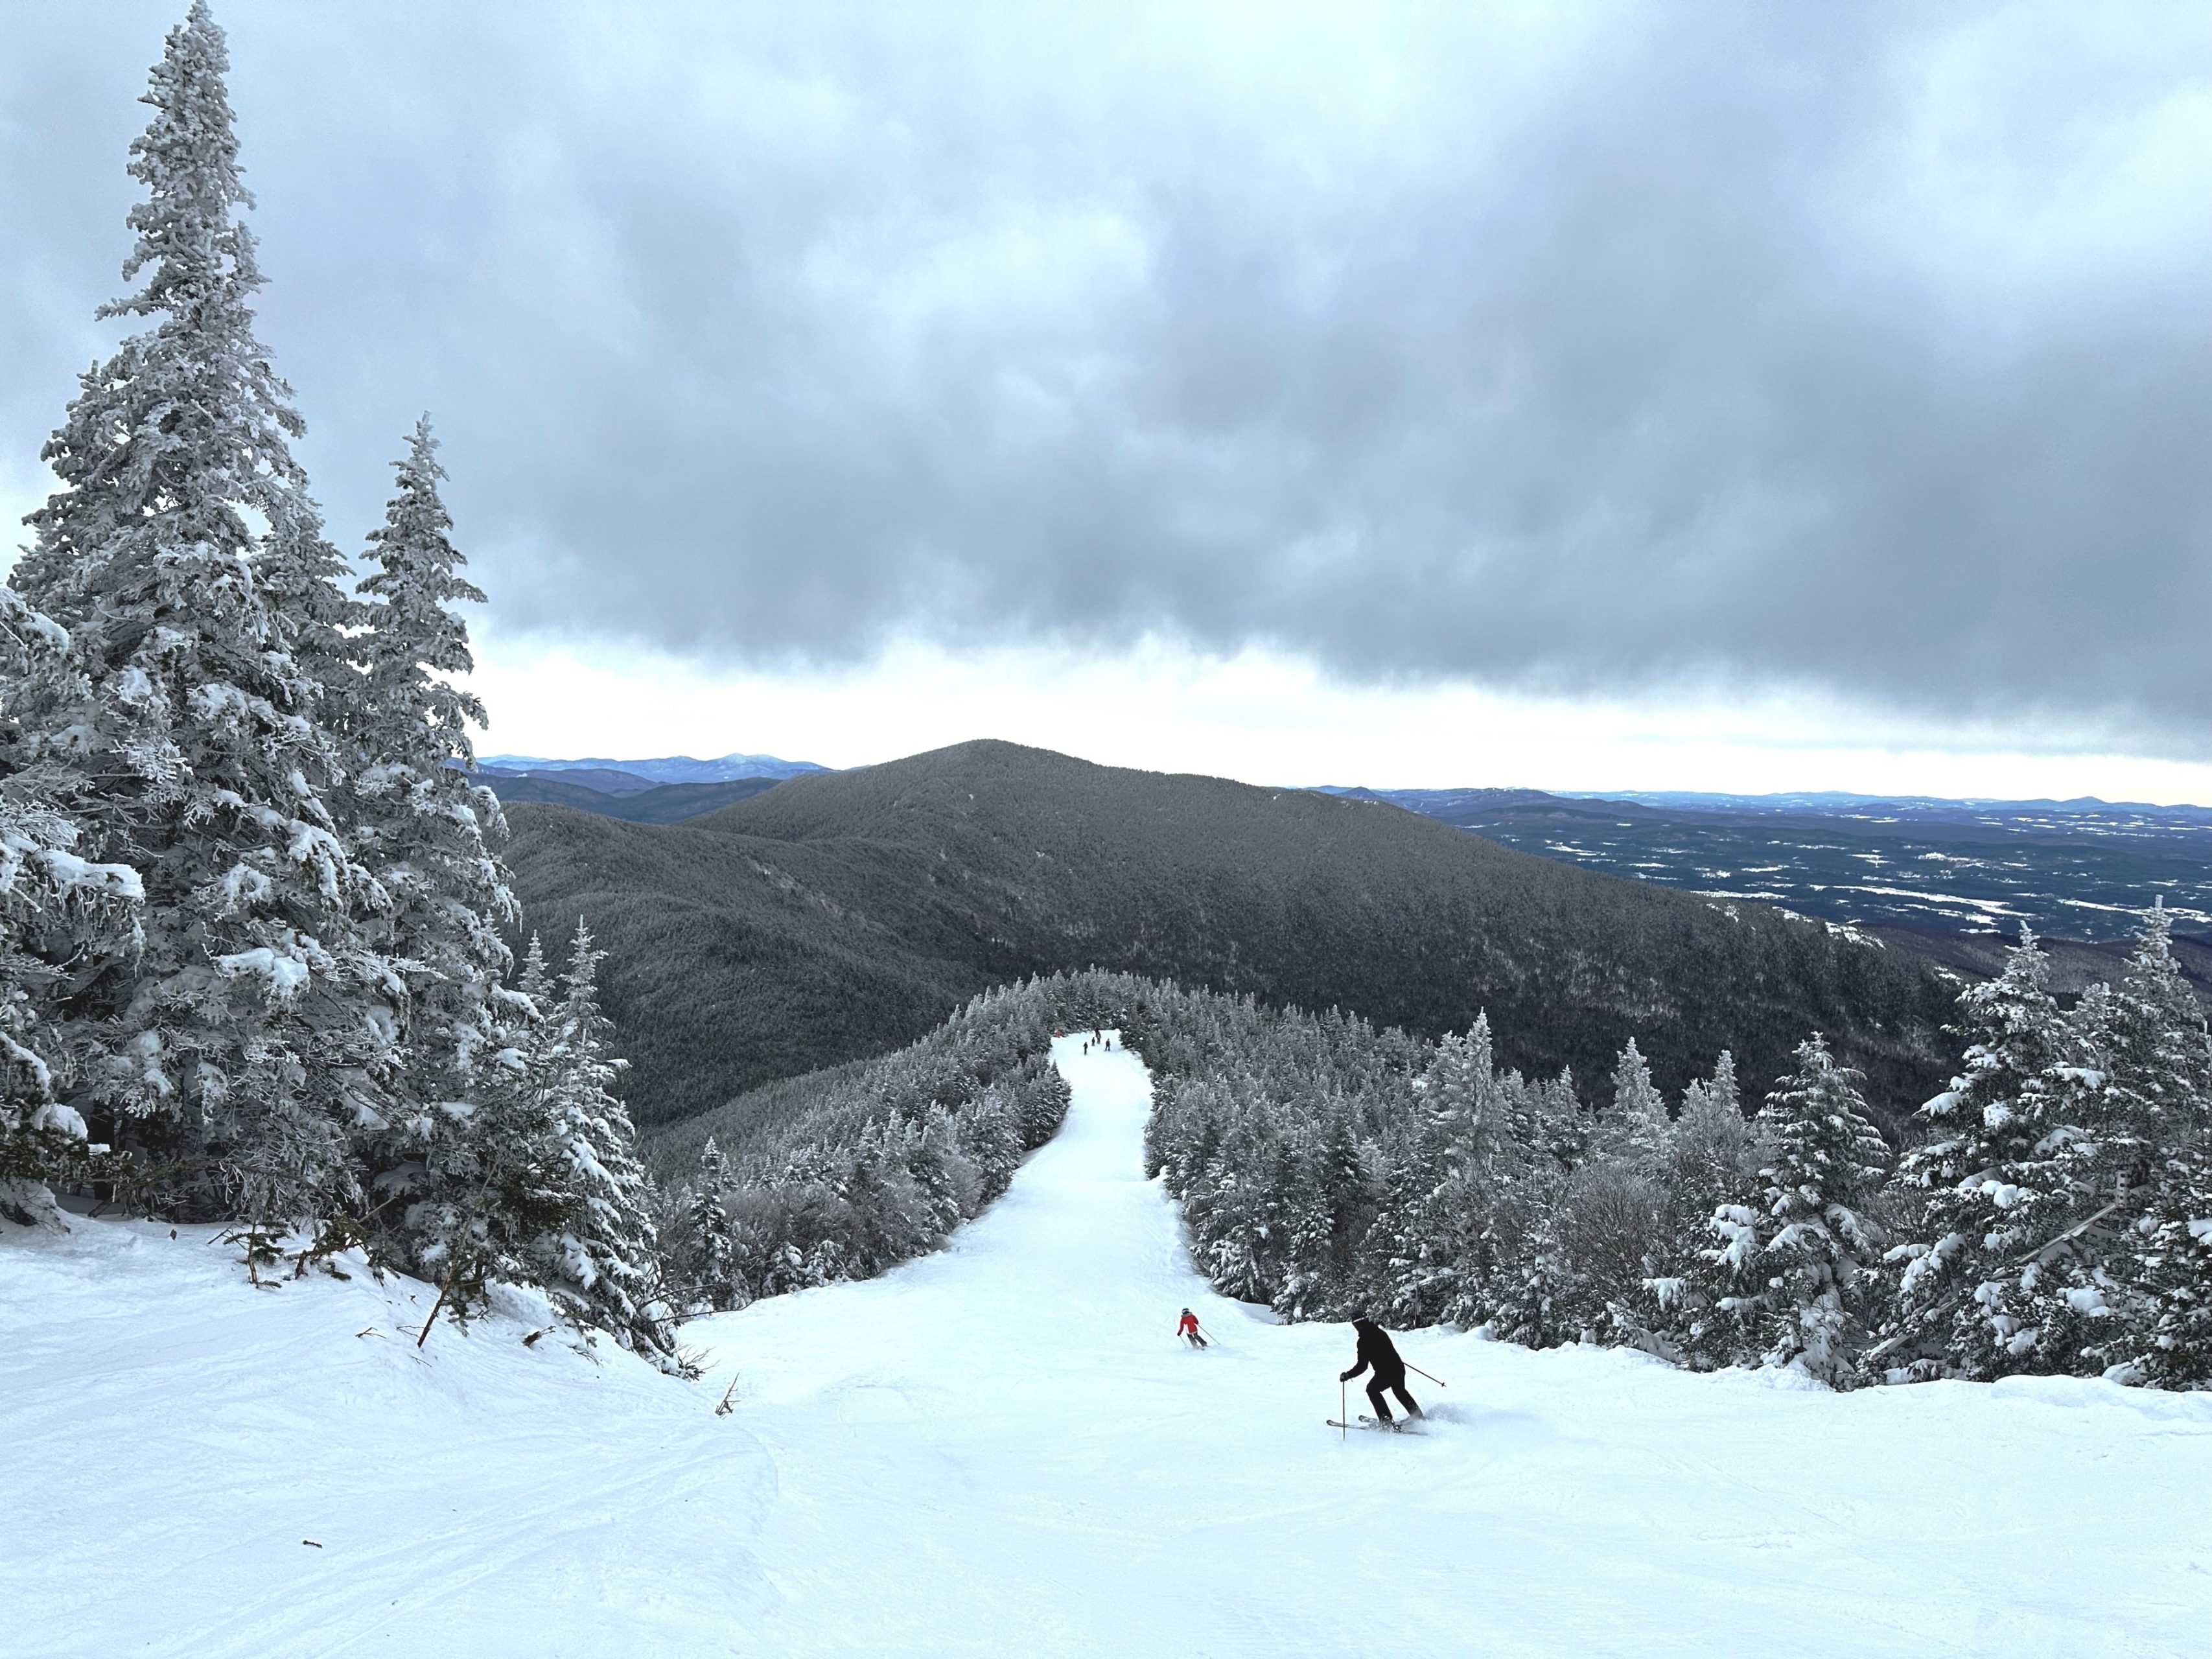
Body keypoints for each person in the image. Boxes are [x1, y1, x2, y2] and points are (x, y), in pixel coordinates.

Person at [1340, 1317, 1420, 1422]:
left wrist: (1348, 1375)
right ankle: (1418, 1416)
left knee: (1372, 1390)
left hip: (1385, 1373)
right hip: (1398, 1368)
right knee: (1400, 1391)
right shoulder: (1380, 1332)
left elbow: (1362, 1366)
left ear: (1357, 1325)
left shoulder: (1363, 1341)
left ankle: (1386, 1420)